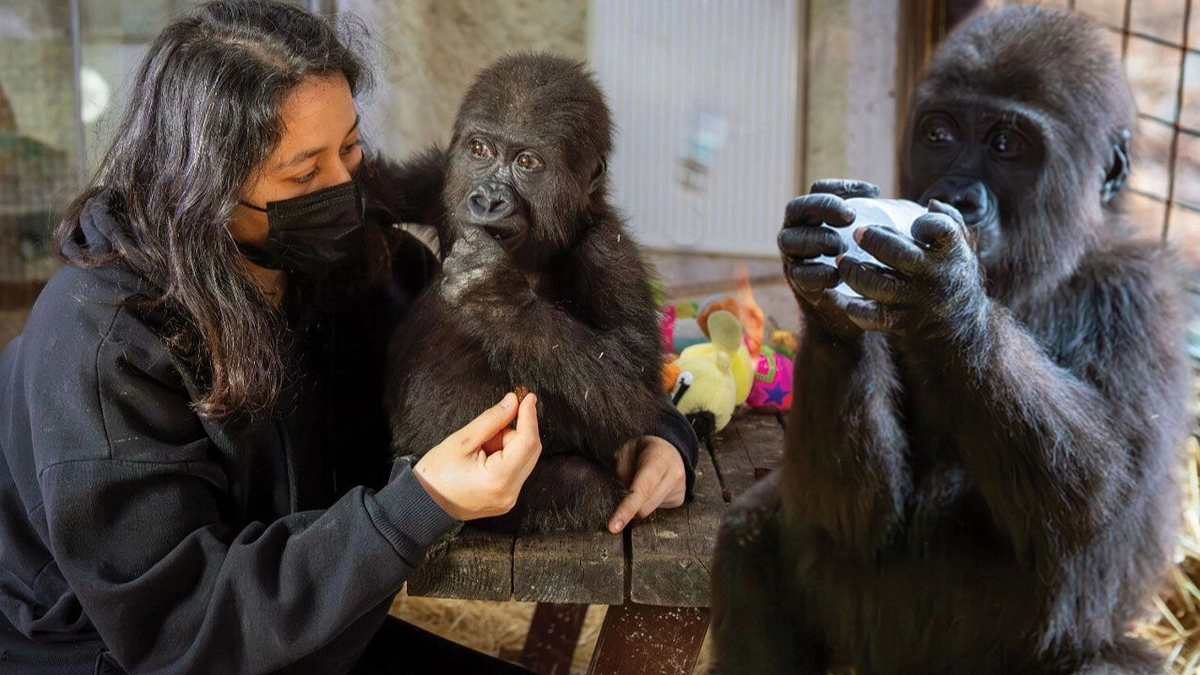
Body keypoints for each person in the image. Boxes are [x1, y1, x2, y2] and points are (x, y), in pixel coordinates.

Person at [0, 2, 698, 673]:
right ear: (201, 187)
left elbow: (576, 359)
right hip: (118, 653)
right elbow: (178, 627)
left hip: (299, 634)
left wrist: (663, 432)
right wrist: (417, 506)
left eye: (351, 147)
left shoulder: (343, 262)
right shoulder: (102, 344)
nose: (349, 188)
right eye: (306, 172)